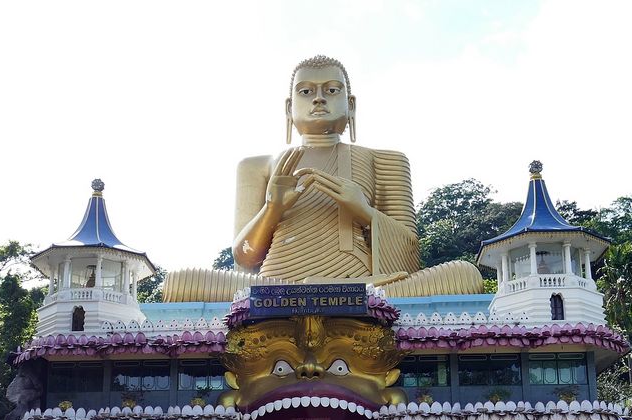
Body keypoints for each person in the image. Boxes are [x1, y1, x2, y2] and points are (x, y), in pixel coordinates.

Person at [161, 55, 483, 302]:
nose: (318, 99)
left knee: (465, 276)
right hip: (274, 288)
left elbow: (410, 257)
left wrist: (365, 212)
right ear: (289, 108)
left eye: (331, 90)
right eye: (306, 91)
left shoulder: (384, 160)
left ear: (351, 105)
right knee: (177, 283)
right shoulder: (257, 166)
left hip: (361, 288)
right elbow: (245, 259)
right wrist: (271, 209)